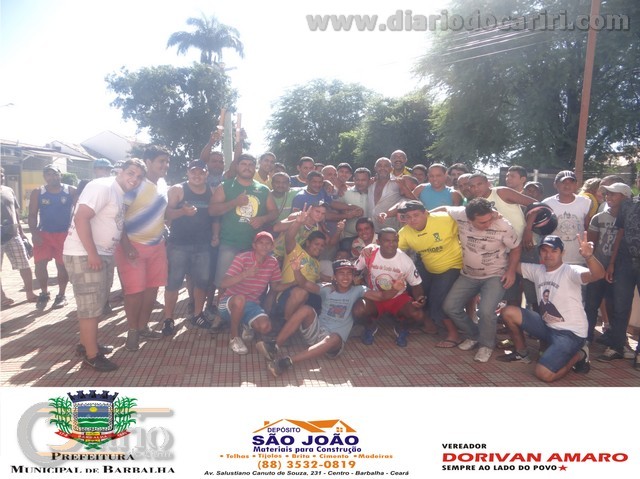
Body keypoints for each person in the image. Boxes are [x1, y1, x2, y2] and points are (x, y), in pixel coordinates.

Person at [63, 159, 146, 371]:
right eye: (131, 173)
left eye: (139, 177)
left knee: (96, 304)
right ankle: (92, 355)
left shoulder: (117, 192)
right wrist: (92, 254)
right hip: (85, 254)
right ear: (120, 171)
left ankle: (86, 345)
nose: (134, 179)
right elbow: (81, 218)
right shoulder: (103, 187)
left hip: (101, 254)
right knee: (90, 308)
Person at [258, 258, 407, 377]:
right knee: (305, 309)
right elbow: (304, 283)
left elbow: (381, 296)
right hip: (316, 331)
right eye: (341, 273)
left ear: (353, 276)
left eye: (349, 273)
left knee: (334, 337)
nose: (345, 277)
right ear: (334, 276)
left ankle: (287, 362)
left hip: (334, 342)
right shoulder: (326, 289)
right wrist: (296, 269)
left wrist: (395, 289)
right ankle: (274, 347)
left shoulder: (358, 290)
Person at [497, 234, 604, 382]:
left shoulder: (570, 271)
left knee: (544, 374)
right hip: (547, 327)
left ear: (562, 253)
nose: (548, 255)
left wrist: (589, 257)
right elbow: (513, 264)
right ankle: (522, 353)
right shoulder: (538, 270)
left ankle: (580, 354)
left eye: (554, 251)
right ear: (540, 252)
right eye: (544, 250)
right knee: (508, 312)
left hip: (570, 334)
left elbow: (598, 275)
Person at [442, 198, 521, 363]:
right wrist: (425, 215)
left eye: (489, 219)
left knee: (485, 311)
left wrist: (511, 271)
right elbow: (443, 208)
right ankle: (474, 335)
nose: (488, 224)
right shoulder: (461, 214)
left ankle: (486, 345)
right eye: (482, 222)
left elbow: (515, 248)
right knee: (450, 307)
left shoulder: (503, 225)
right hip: (468, 275)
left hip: (495, 275)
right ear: (469, 218)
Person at [115, 146, 170, 351]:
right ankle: (132, 331)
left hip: (157, 246)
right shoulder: (136, 185)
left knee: (152, 288)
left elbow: (161, 213)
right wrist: (126, 245)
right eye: (161, 161)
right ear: (148, 162)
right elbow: (119, 216)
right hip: (132, 246)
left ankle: (143, 327)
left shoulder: (163, 184)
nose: (165, 165)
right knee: (134, 291)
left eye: (167, 161)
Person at [209, 153, 279, 298]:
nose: (247, 167)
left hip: (253, 245)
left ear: (255, 167)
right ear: (237, 166)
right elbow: (212, 210)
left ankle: (247, 309)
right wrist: (234, 202)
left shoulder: (263, 189)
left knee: (252, 282)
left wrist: (263, 219)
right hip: (229, 243)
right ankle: (221, 310)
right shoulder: (225, 186)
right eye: (243, 164)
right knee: (223, 283)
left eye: (251, 165)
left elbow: (274, 212)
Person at [353, 228, 436, 347]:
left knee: (418, 315)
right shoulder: (369, 254)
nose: (391, 244)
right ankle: (370, 326)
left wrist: (419, 299)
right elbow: (355, 270)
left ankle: (401, 327)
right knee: (358, 310)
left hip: (398, 297)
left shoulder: (405, 261)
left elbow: (416, 285)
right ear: (378, 242)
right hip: (375, 295)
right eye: (387, 241)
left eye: (394, 241)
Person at [397, 200, 464, 347]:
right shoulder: (405, 232)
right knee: (414, 289)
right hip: (429, 267)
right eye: (408, 217)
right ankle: (430, 326)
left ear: (426, 213)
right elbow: (393, 250)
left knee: (437, 300)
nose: (412, 220)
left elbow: (469, 216)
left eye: (416, 215)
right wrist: (371, 249)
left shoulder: (445, 219)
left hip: (453, 266)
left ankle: (454, 335)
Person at [162, 160, 215, 335]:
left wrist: (215, 235)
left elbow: (215, 215)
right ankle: (168, 318)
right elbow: (167, 213)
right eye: (193, 172)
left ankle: (197, 314)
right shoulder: (178, 189)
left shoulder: (212, 191)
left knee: (201, 282)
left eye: (201, 172)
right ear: (188, 173)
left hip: (203, 244)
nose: (197, 175)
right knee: (173, 282)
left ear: (206, 174)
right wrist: (182, 212)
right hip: (179, 244)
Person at [218, 231, 287, 355]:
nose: (264, 246)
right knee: (240, 299)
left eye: (268, 243)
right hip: (229, 303)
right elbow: (223, 283)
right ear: (254, 245)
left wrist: (296, 282)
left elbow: (275, 287)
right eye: (261, 243)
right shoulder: (242, 258)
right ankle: (234, 338)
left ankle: (246, 324)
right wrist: (245, 274)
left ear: (272, 247)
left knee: (265, 327)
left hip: (251, 304)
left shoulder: (273, 262)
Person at [601, 177, 640, 366]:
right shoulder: (628, 204)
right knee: (620, 305)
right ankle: (617, 346)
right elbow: (620, 233)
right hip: (624, 262)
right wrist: (612, 263)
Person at [585, 182, 631, 344]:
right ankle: (587, 337)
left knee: (617, 305)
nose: (608, 197)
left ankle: (615, 338)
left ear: (625, 197)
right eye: (607, 193)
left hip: (621, 269)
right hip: (599, 267)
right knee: (591, 303)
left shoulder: (631, 219)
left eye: (613, 194)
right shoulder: (599, 217)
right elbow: (591, 244)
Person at [28, 164, 77, 310]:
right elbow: (32, 214)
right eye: (48, 174)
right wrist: (34, 233)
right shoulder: (38, 192)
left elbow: (79, 211)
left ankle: (61, 295)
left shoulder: (70, 190)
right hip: (44, 234)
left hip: (64, 234)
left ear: (60, 175)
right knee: (40, 265)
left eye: (55, 174)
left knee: (62, 266)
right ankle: (44, 293)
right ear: (44, 177)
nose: (52, 177)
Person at [1, 167, 37, 306]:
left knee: (24, 263)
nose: (1, 177)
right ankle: (2, 297)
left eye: (2, 175)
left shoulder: (8, 190)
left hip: (13, 234)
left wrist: (21, 232)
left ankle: (30, 292)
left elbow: (15, 212)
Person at [542, 171, 591, 265]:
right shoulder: (547, 203)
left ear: (576, 184)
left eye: (571, 182)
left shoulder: (585, 203)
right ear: (555, 185)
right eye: (563, 182)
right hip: (554, 258)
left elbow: (588, 228)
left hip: (578, 257)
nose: (567, 186)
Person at [370, 157, 414, 232]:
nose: (382, 168)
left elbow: (413, 201)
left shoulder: (398, 182)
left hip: (392, 231)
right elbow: (356, 185)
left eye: (386, 166)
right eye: (379, 165)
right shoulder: (370, 183)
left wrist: (404, 186)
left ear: (391, 168)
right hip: (372, 230)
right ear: (375, 168)